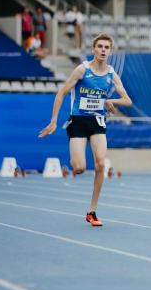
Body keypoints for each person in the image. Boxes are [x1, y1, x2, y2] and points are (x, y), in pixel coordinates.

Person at [38, 34, 132, 227]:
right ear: (93, 49)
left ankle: (92, 211)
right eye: (100, 46)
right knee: (79, 168)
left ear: (110, 51)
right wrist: (54, 121)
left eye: (107, 47)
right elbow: (62, 92)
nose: (103, 50)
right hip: (78, 121)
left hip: (98, 122)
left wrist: (109, 101)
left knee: (99, 164)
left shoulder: (111, 74)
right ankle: (74, 152)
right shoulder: (83, 69)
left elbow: (127, 100)